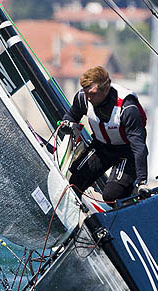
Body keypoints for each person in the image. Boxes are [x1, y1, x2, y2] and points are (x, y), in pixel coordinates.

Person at [63, 66, 149, 203]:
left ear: (106, 87)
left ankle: (129, 199)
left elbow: (139, 147)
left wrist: (142, 182)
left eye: (93, 93)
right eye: (86, 94)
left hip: (127, 152)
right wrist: (67, 124)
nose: (89, 98)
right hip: (101, 147)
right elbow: (72, 115)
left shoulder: (128, 108)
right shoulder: (82, 98)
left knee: (111, 195)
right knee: (74, 182)